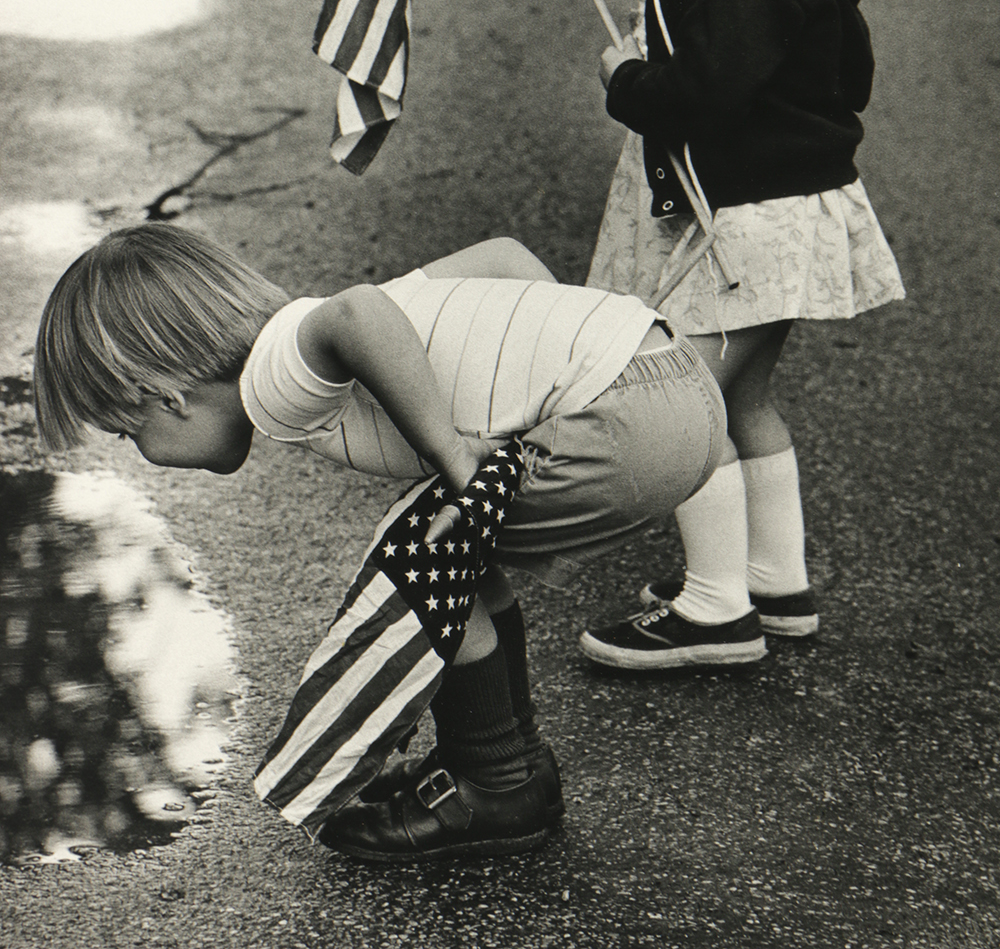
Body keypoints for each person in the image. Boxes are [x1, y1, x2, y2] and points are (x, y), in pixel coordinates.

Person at [33, 221, 749, 862]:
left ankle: (497, 783)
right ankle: (502, 764)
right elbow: (504, 257)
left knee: (418, 561)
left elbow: (356, 314)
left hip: (628, 422)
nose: (143, 451)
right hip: (682, 383)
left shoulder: (276, 373)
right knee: (459, 552)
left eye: (130, 433)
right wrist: (550, 365)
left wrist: (455, 458)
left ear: (165, 394)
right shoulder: (350, 322)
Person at [551, 0, 905, 671]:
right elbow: (849, 71)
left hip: (748, 220)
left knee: (682, 406)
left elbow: (701, 95)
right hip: (785, 211)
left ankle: (714, 610)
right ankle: (773, 581)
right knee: (740, 396)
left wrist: (629, 81)